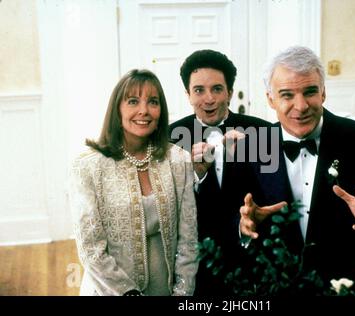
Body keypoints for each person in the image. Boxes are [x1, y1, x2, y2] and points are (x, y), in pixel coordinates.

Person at [238, 46, 355, 294]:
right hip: (275, 286)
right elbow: (230, 219)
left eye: (310, 92)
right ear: (270, 99)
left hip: (351, 285)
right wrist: (243, 227)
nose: (301, 105)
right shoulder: (250, 146)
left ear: (324, 93)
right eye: (287, 95)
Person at [69, 69, 198, 296]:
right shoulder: (87, 167)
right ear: (117, 109)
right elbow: (91, 249)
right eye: (133, 101)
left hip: (166, 290)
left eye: (153, 102)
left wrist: (182, 292)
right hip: (109, 290)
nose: (144, 110)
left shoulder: (178, 160)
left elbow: (188, 239)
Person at [169, 49, 272, 296]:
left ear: (230, 92)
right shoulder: (170, 137)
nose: (209, 99)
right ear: (187, 94)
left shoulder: (263, 132)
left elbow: (271, 198)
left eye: (217, 89)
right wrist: (198, 176)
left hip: (251, 261)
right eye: (199, 90)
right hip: (194, 266)